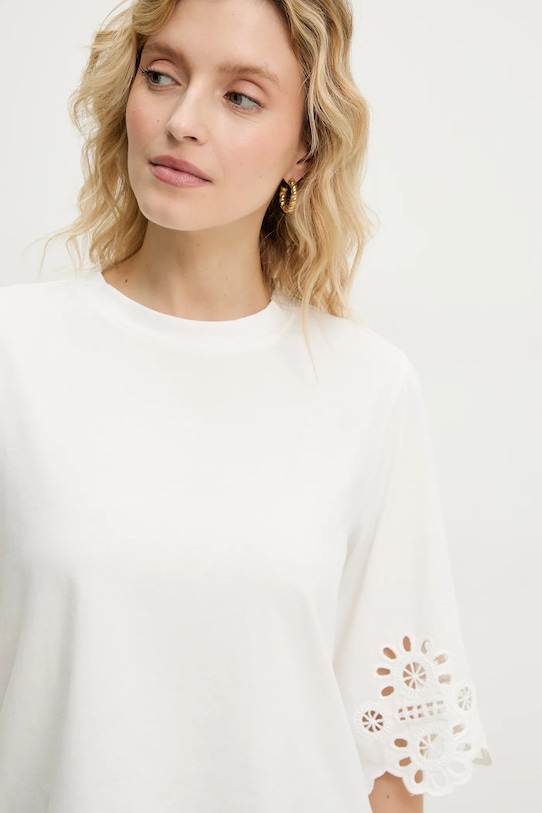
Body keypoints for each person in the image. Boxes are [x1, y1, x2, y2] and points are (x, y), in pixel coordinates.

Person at [0, 0, 490, 811]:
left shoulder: (368, 387)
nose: (182, 121)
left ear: (304, 149)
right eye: (163, 76)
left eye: (240, 96)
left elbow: (391, 759)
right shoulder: (15, 351)